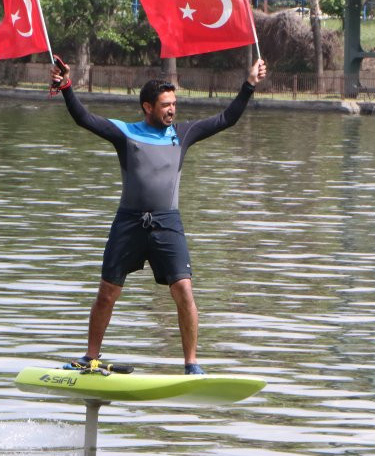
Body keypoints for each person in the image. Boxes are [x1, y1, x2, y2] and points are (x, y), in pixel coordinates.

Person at [51, 57, 268, 375]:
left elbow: (227, 119)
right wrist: (67, 86)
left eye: (174, 104)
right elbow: (84, 118)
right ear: (147, 107)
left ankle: (192, 363)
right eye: (165, 105)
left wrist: (249, 85)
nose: (172, 110)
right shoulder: (125, 133)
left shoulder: (183, 133)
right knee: (107, 292)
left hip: (167, 223)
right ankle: (90, 356)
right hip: (129, 223)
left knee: (184, 290)